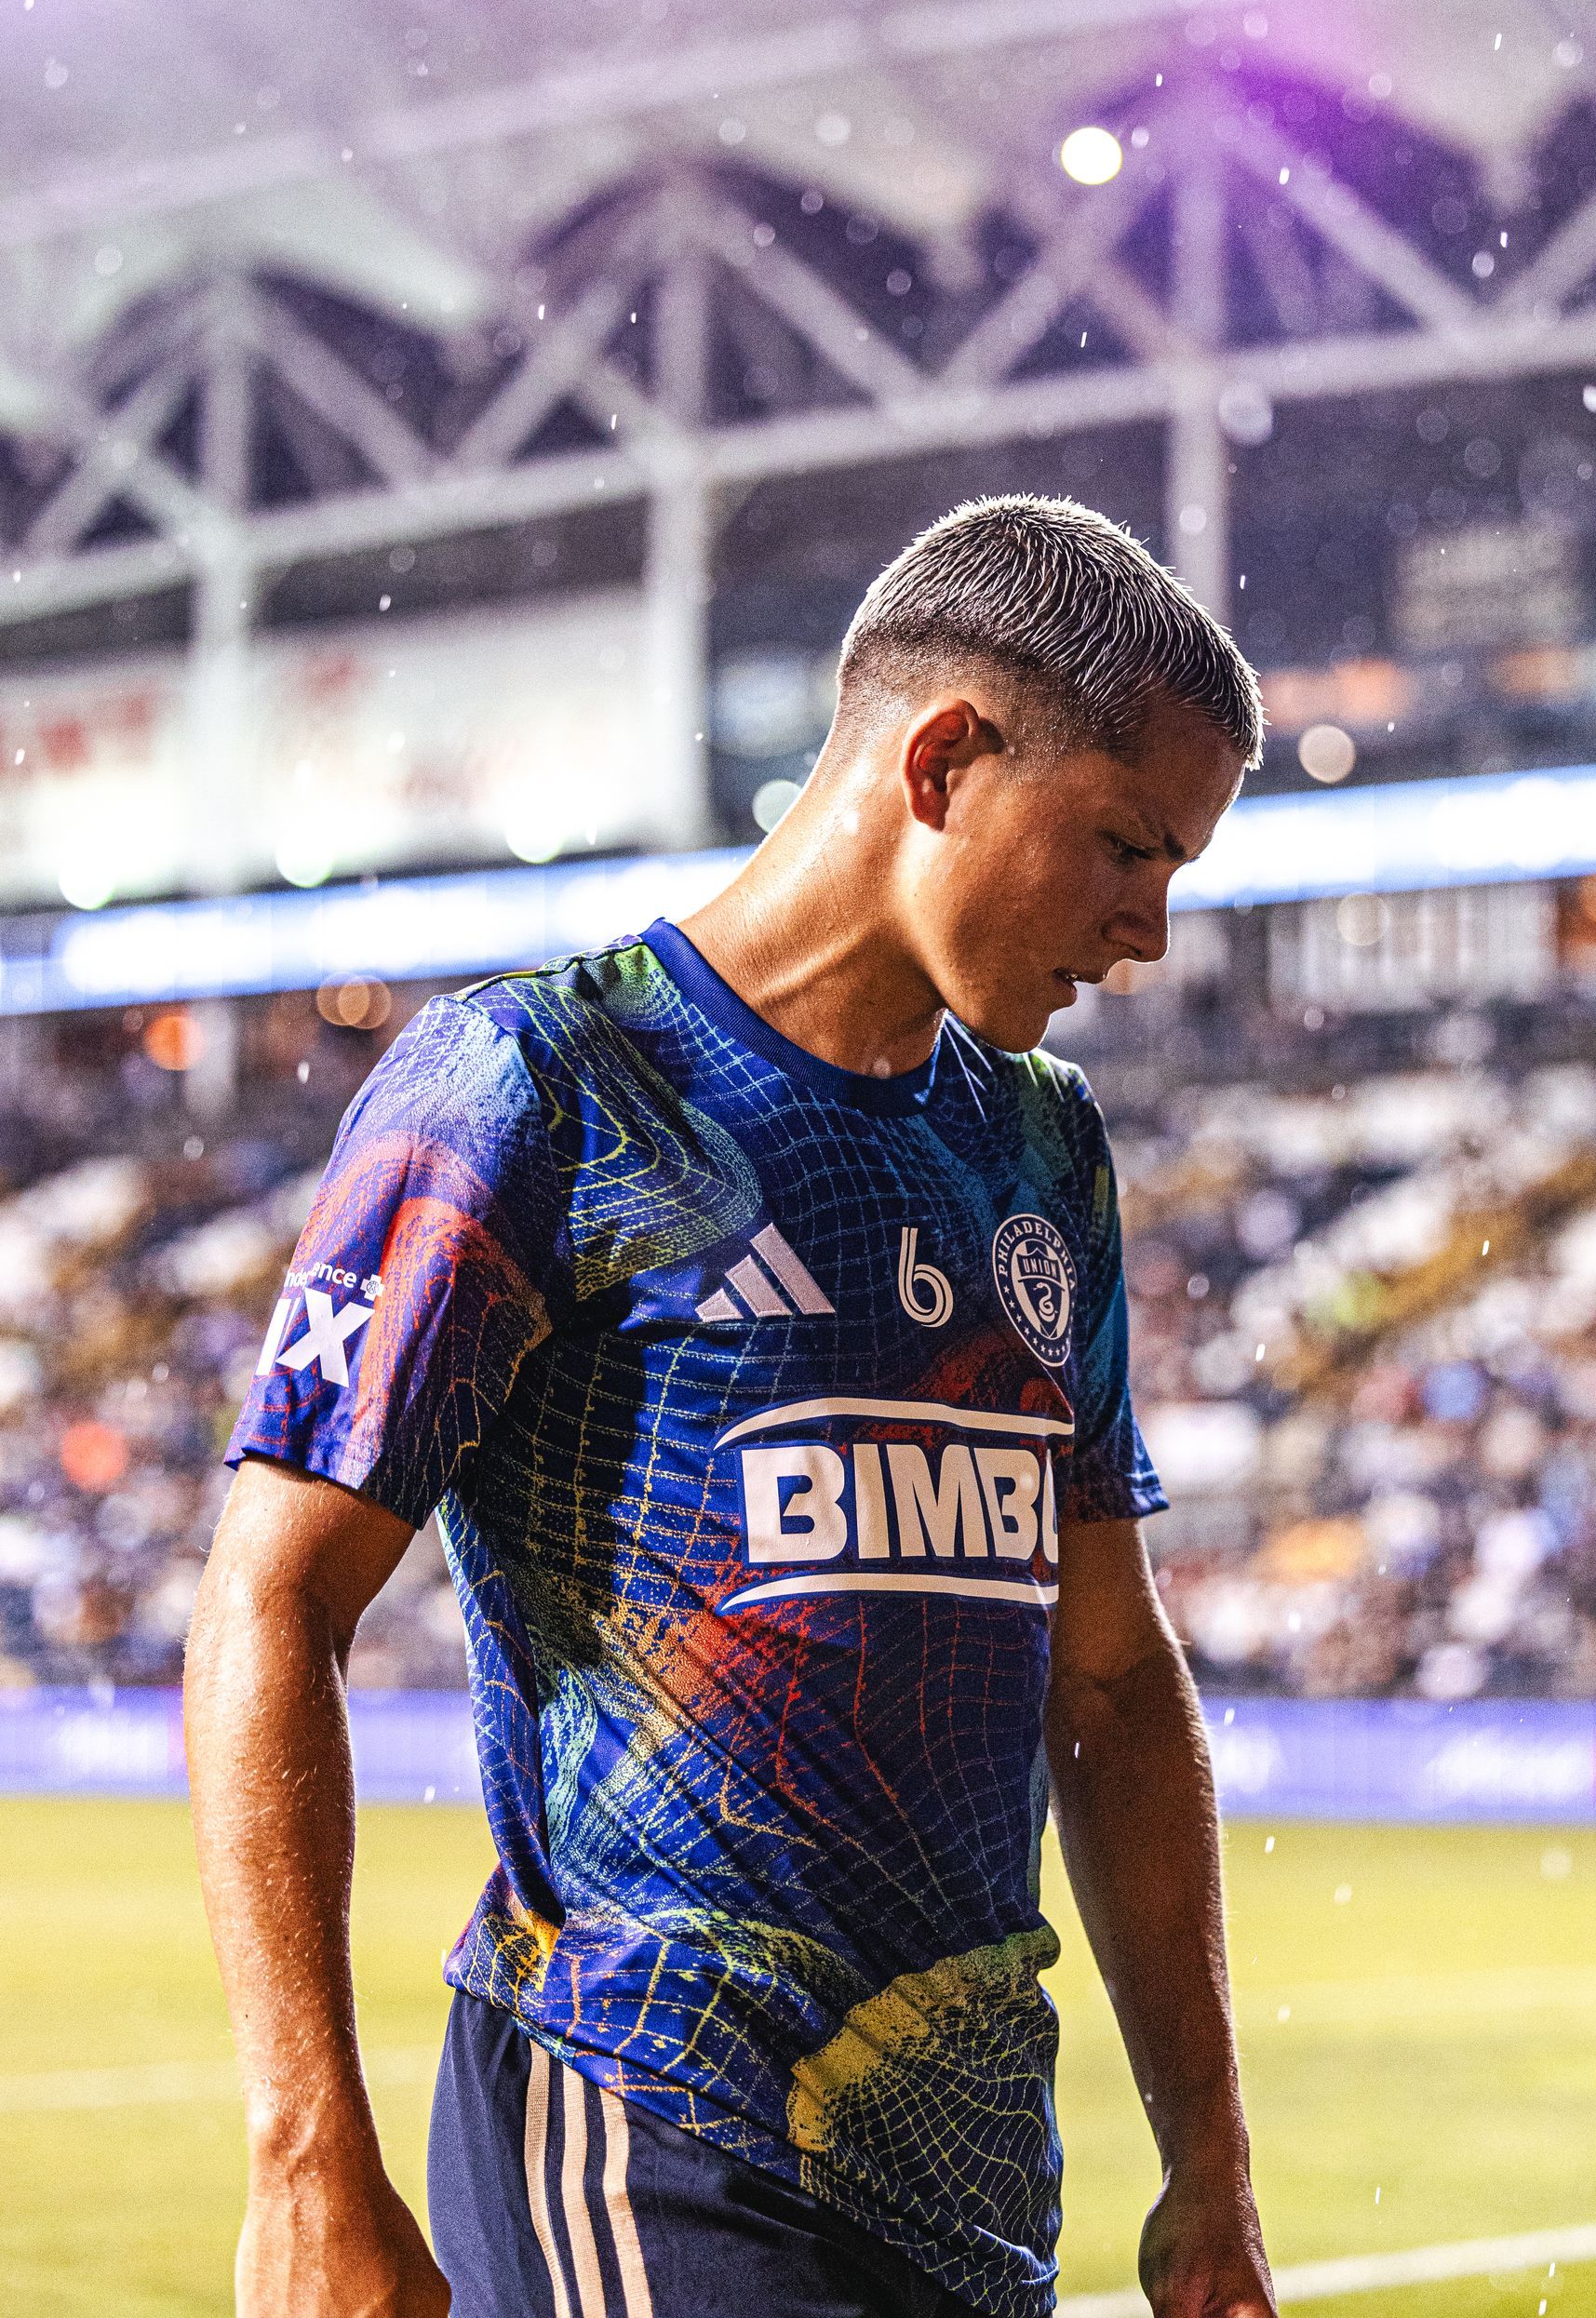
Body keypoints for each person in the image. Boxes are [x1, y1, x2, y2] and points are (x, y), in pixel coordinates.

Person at [185, 492, 1274, 2318]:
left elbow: (1106, 1675)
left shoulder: (1038, 1151)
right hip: (638, 2120)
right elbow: (269, 1597)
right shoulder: (540, 1083)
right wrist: (306, 2151)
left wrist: (1211, 2161)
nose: (1148, 931)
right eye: (1121, 846)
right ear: (942, 760)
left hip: (978, 2181)